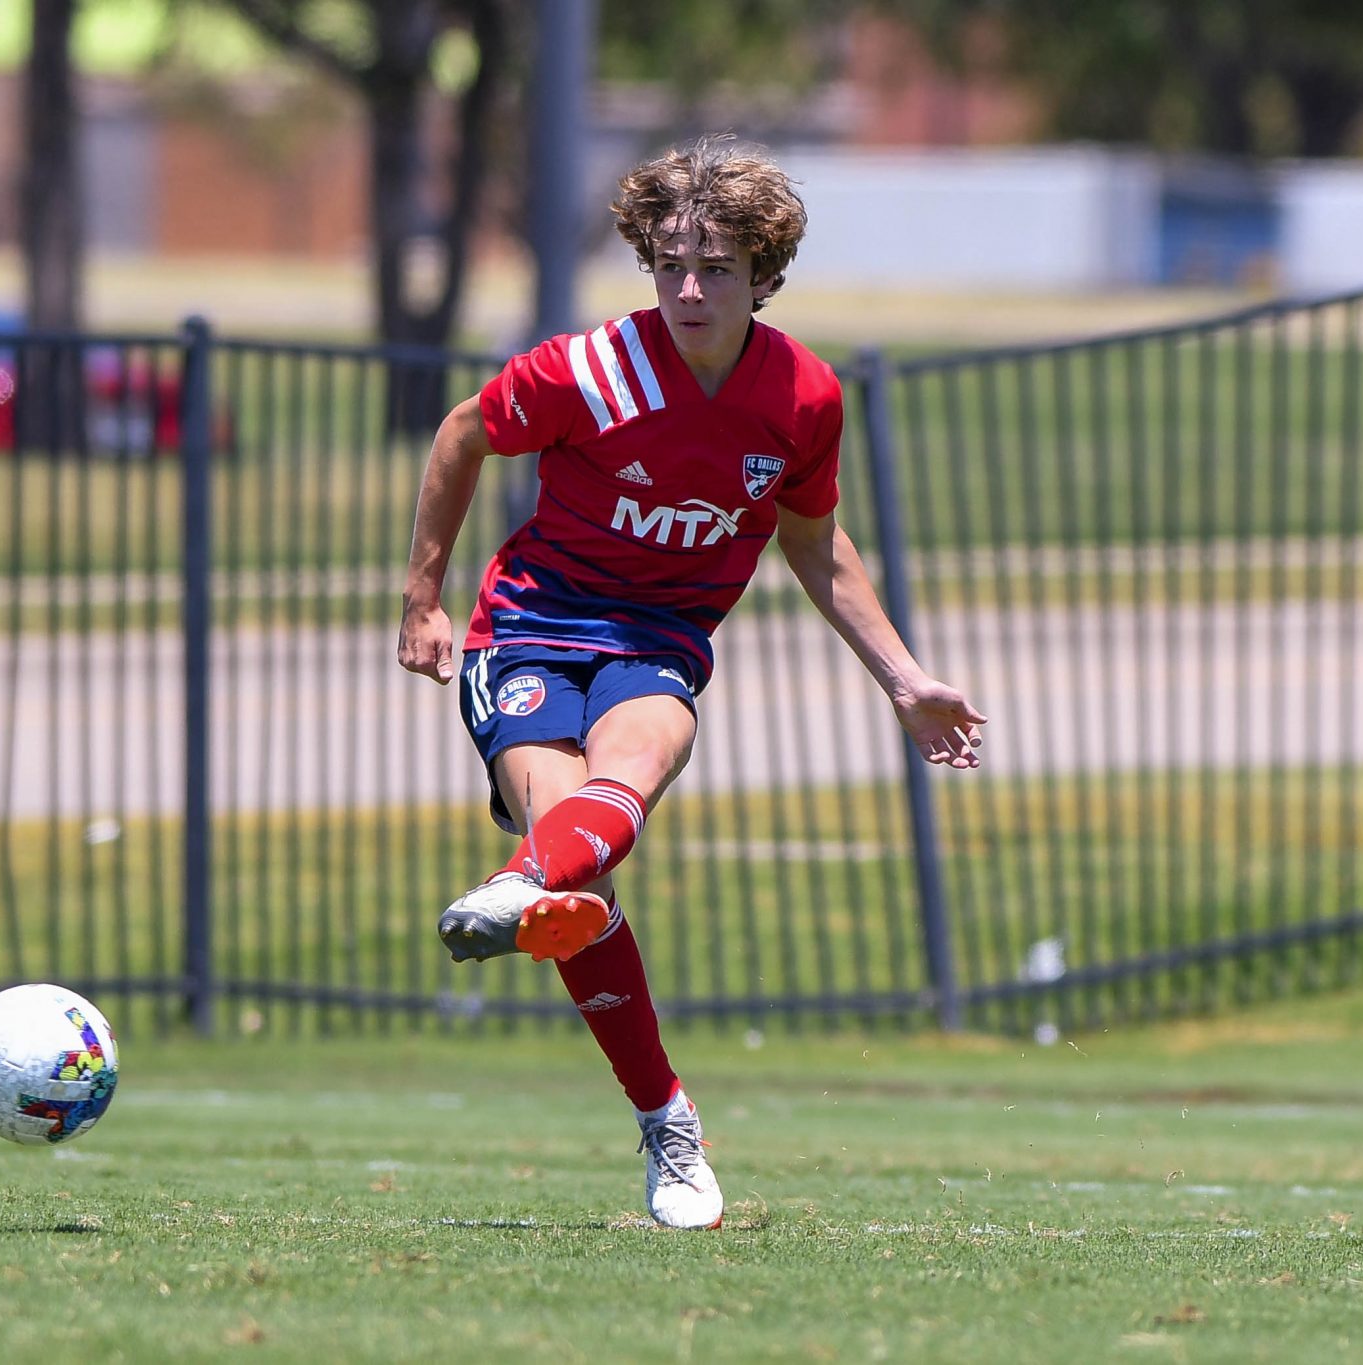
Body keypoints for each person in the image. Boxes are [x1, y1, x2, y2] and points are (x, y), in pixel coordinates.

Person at [396, 134, 986, 1230]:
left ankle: (525, 887)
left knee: (634, 764)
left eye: (715, 267)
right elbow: (462, 434)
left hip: (659, 636)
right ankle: (663, 1113)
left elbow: (814, 545)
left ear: (763, 276)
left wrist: (903, 680)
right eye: (669, 262)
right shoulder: (588, 370)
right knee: (579, 878)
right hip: (525, 631)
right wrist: (422, 597)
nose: (687, 288)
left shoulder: (801, 398)